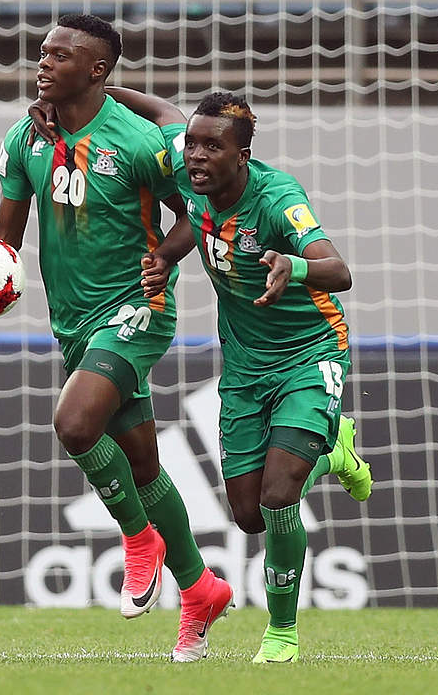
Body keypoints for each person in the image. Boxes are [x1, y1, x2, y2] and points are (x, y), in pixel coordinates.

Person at [0, 14, 234, 663]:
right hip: (72, 321)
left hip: (138, 309)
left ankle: (137, 538)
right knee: (146, 465)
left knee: (73, 425)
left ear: (97, 70)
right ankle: (200, 589)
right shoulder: (26, 138)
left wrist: (168, 258)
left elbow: (199, 213)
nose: (43, 62)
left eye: (60, 55)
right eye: (43, 52)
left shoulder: (142, 142)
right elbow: (2, 245)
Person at [115, 89, 373, 663]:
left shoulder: (279, 199)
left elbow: (340, 270)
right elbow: (162, 116)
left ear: (243, 155)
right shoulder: (191, 174)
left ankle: (281, 634)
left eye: (213, 146)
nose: (196, 155)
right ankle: (334, 453)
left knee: (281, 497)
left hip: (311, 352)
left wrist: (294, 264)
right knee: (249, 515)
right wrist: (95, 93)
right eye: (193, 145)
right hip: (245, 364)